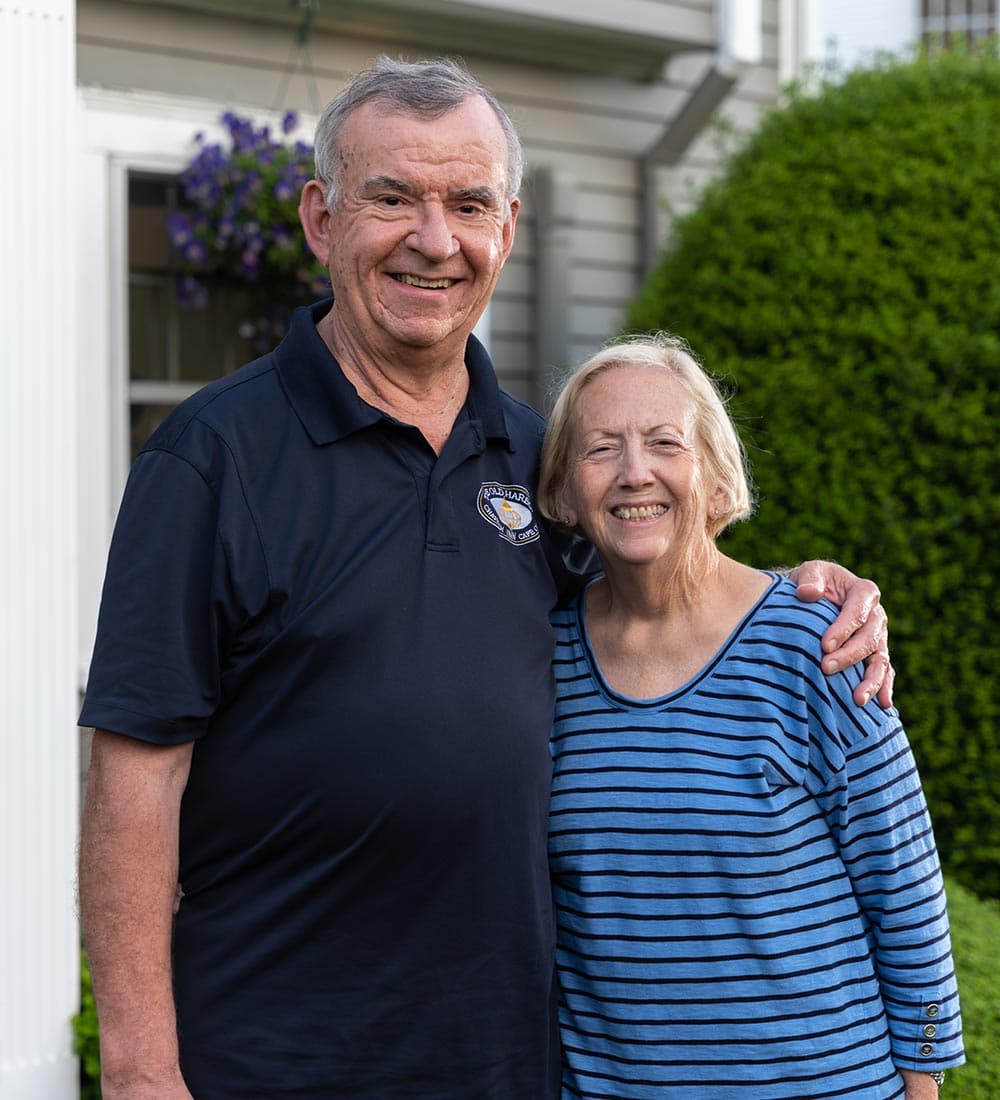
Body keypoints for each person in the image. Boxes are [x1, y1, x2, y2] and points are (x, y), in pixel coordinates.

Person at [78, 59, 892, 1100]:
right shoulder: (212, 457)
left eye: (467, 204)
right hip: (275, 1055)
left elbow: (664, 599)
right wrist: (144, 1070)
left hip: (508, 1057)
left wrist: (800, 591)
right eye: (392, 199)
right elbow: (135, 769)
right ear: (322, 219)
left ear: (505, 229)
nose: (434, 238)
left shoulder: (540, 459)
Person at [537, 334, 964, 1100]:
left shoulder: (817, 644)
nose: (636, 472)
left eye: (664, 443)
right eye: (601, 448)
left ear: (712, 471)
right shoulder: (543, 662)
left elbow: (905, 894)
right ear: (565, 491)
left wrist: (925, 1083)